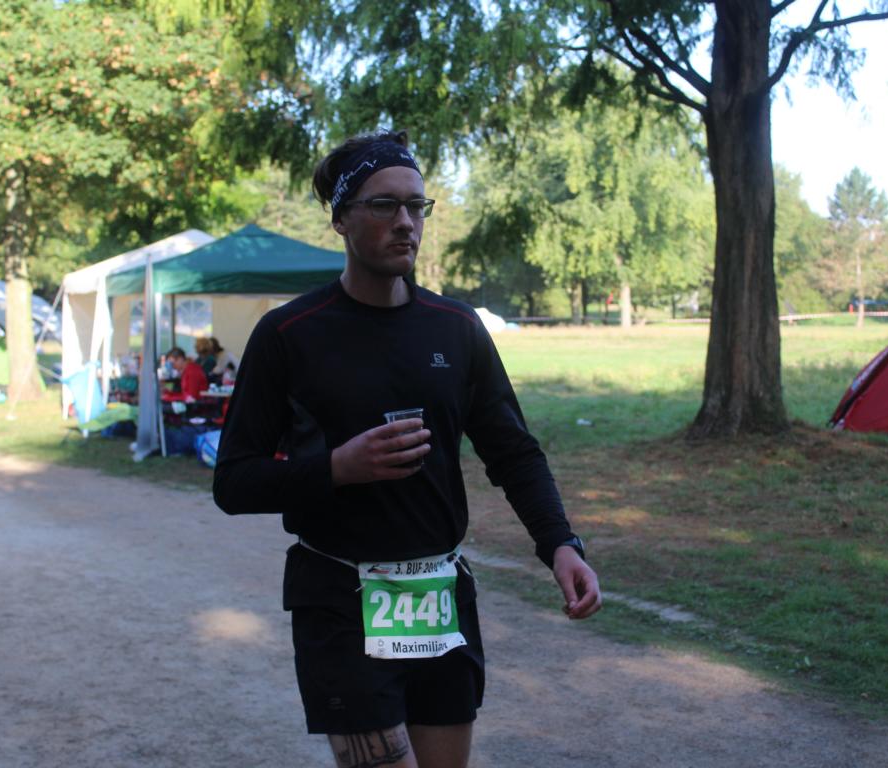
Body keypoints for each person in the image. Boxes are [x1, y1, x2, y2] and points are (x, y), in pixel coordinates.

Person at [213, 130, 600, 768]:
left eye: (416, 206)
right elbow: (233, 481)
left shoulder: (457, 328)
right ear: (340, 219)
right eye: (383, 205)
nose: (405, 222)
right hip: (340, 598)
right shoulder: (289, 334)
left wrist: (560, 543)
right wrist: (337, 469)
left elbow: (513, 452)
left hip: (438, 596)